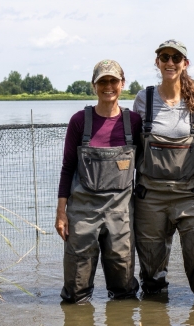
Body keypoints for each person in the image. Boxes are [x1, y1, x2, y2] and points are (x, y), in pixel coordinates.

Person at [132, 39, 194, 303]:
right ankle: (156, 313)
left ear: (185, 63)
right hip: (151, 198)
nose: (170, 62)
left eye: (176, 58)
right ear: (157, 62)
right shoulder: (143, 99)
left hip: (191, 196)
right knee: (151, 274)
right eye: (165, 57)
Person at [55, 59, 141, 303]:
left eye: (113, 81)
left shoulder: (133, 122)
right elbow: (67, 168)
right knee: (75, 291)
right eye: (102, 81)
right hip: (83, 212)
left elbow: (144, 166)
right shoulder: (80, 121)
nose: (108, 86)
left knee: (123, 289)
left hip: (120, 213)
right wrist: (61, 212)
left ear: (122, 84)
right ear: (94, 86)